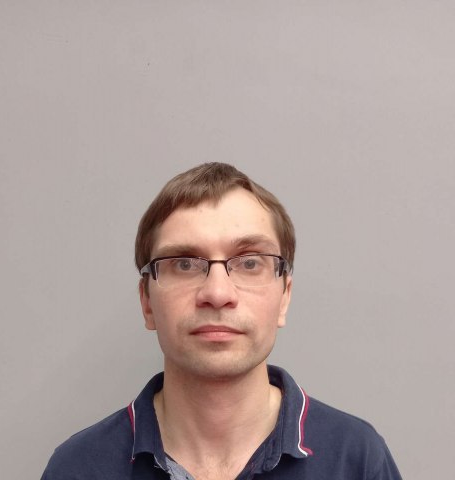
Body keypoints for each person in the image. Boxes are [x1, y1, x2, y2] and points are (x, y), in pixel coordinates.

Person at [42, 163, 402, 479]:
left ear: (284, 297)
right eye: (184, 263)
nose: (217, 293)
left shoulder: (356, 460)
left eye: (249, 262)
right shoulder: (78, 468)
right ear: (147, 302)